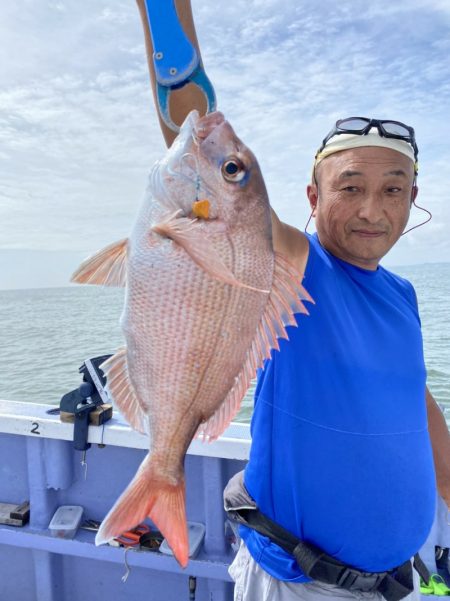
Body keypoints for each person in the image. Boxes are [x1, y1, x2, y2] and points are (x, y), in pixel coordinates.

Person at [135, 2, 450, 599]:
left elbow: (413, 392)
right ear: (311, 195)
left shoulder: (401, 295)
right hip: (300, 584)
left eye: (393, 190)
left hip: (406, 577)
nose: (371, 210)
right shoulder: (291, 263)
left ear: (413, 199)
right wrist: (164, 14)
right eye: (350, 187)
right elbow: (200, 150)